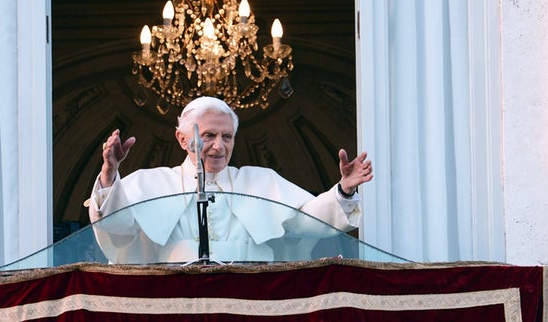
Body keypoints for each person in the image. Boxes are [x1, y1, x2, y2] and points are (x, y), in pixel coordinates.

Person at [88, 96, 373, 264]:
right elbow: (116, 227)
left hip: (250, 299)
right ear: (182, 138)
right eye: (209, 135)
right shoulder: (152, 183)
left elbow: (308, 220)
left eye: (227, 137)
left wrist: (344, 192)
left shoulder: (259, 181)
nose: (219, 146)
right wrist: (110, 175)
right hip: (172, 300)